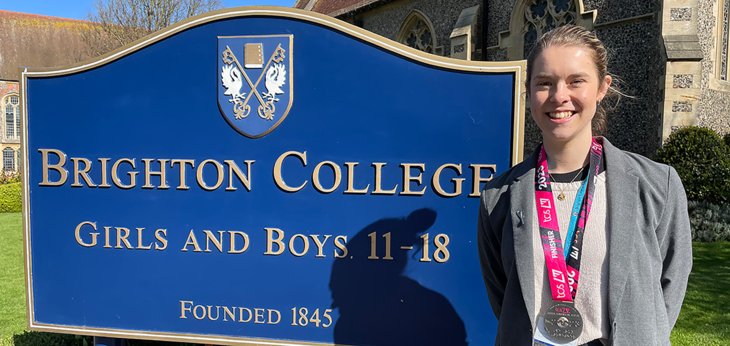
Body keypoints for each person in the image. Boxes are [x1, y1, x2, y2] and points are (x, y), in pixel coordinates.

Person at [477, 25, 692, 346]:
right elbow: (503, 296)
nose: (559, 96)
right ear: (529, 92)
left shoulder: (658, 186)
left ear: (602, 87)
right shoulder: (499, 197)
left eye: (576, 81)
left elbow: (669, 288)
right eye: (544, 83)